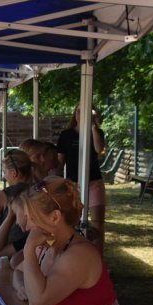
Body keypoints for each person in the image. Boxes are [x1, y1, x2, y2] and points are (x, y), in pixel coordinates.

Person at [21, 176, 150, 305]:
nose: (26, 227)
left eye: (30, 218)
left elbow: (37, 299)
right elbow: (20, 275)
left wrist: (28, 251)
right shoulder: (53, 245)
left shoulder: (79, 254)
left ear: (55, 217)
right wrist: (23, 282)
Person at [57, 105, 106, 253]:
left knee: (97, 224)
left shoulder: (97, 132)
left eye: (85, 112)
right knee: (73, 222)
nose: (81, 114)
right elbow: (60, 161)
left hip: (94, 182)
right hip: (73, 184)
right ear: (75, 114)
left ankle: (99, 260)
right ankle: (74, 256)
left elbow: (99, 149)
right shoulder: (66, 135)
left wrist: (92, 127)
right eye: (78, 111)